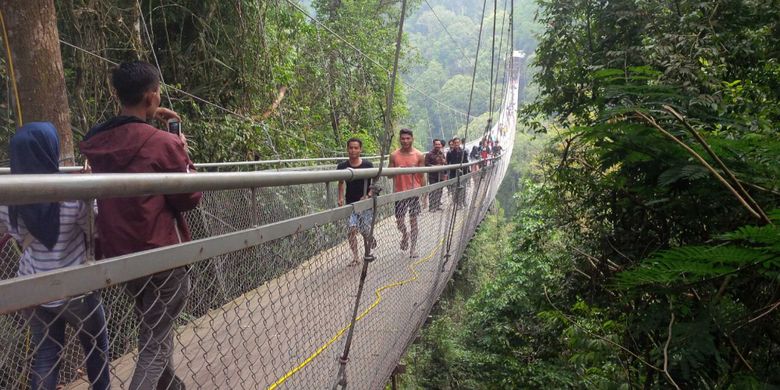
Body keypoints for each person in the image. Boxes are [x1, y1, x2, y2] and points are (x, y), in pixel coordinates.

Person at [80, 61, 202, 390]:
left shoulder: (98, 143)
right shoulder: (161, 143)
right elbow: (189, 197)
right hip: (163, 255)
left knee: (154, 329)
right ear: (151, 98)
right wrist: (181, 149)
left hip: (123, 255)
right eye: (157, 92)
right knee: (155, 342)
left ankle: (172, 387)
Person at [0, 123, 110, 390]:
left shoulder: (7, 199)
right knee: (96, 348)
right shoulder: (71, 194)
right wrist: (89, 191)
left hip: (34, 289)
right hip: (76, 290)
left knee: (46, 356)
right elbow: (93, 227)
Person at [337, 138, 376, 265]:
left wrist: (368, 195)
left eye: (356, 148)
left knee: (364, 230)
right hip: (350, 203)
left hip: (365, 203)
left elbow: (374, 183)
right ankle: (355, 257)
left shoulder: (368, 165)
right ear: (347, 149)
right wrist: (340, 197)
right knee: (351, 229)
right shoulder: (342, 166)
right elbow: (341, 182)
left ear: (360, 149)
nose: (353, 150)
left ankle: (368, 246)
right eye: (351, 148)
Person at [389, 128, 426, 258]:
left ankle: (413, 249)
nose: (405, 141)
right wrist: (397, 170)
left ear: (412, 139)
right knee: (399, 222)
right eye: (403, 138)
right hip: (400, 193)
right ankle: (405, 234)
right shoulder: (394, 155)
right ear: (399, 139)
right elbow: (388, 175)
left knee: (413, 221)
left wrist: (424, 195)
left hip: (414, 192)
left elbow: (422, 176)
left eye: (407, 138)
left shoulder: (419, 155)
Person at [424, 139, 446, 212]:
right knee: (433, 191)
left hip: (441, 175)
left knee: (440, 190)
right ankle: (431, 207)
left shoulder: (442, 154)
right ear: (433, 145)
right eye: (436, 144)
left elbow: (445, 163)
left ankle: (437, 206)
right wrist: (434, 166)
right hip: (433, 175)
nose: (438, 146)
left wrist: (444, 162)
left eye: (439, 144)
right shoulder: (429, 154)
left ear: (440, 145)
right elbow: (426, 164)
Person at [446, 137, 469, 208]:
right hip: (453, 173)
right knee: (454, 189)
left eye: (457, 142)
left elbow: (466, 162)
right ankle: (456, 203)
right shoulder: (449, 153)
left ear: (460, 143)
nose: (456, 144)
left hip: (462, 173)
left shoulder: (464, 152)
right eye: (455, 143)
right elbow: (447, 163)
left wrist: (467, 172)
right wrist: (446, 173)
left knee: (463, 188)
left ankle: (462, 202)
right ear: (453, 143)